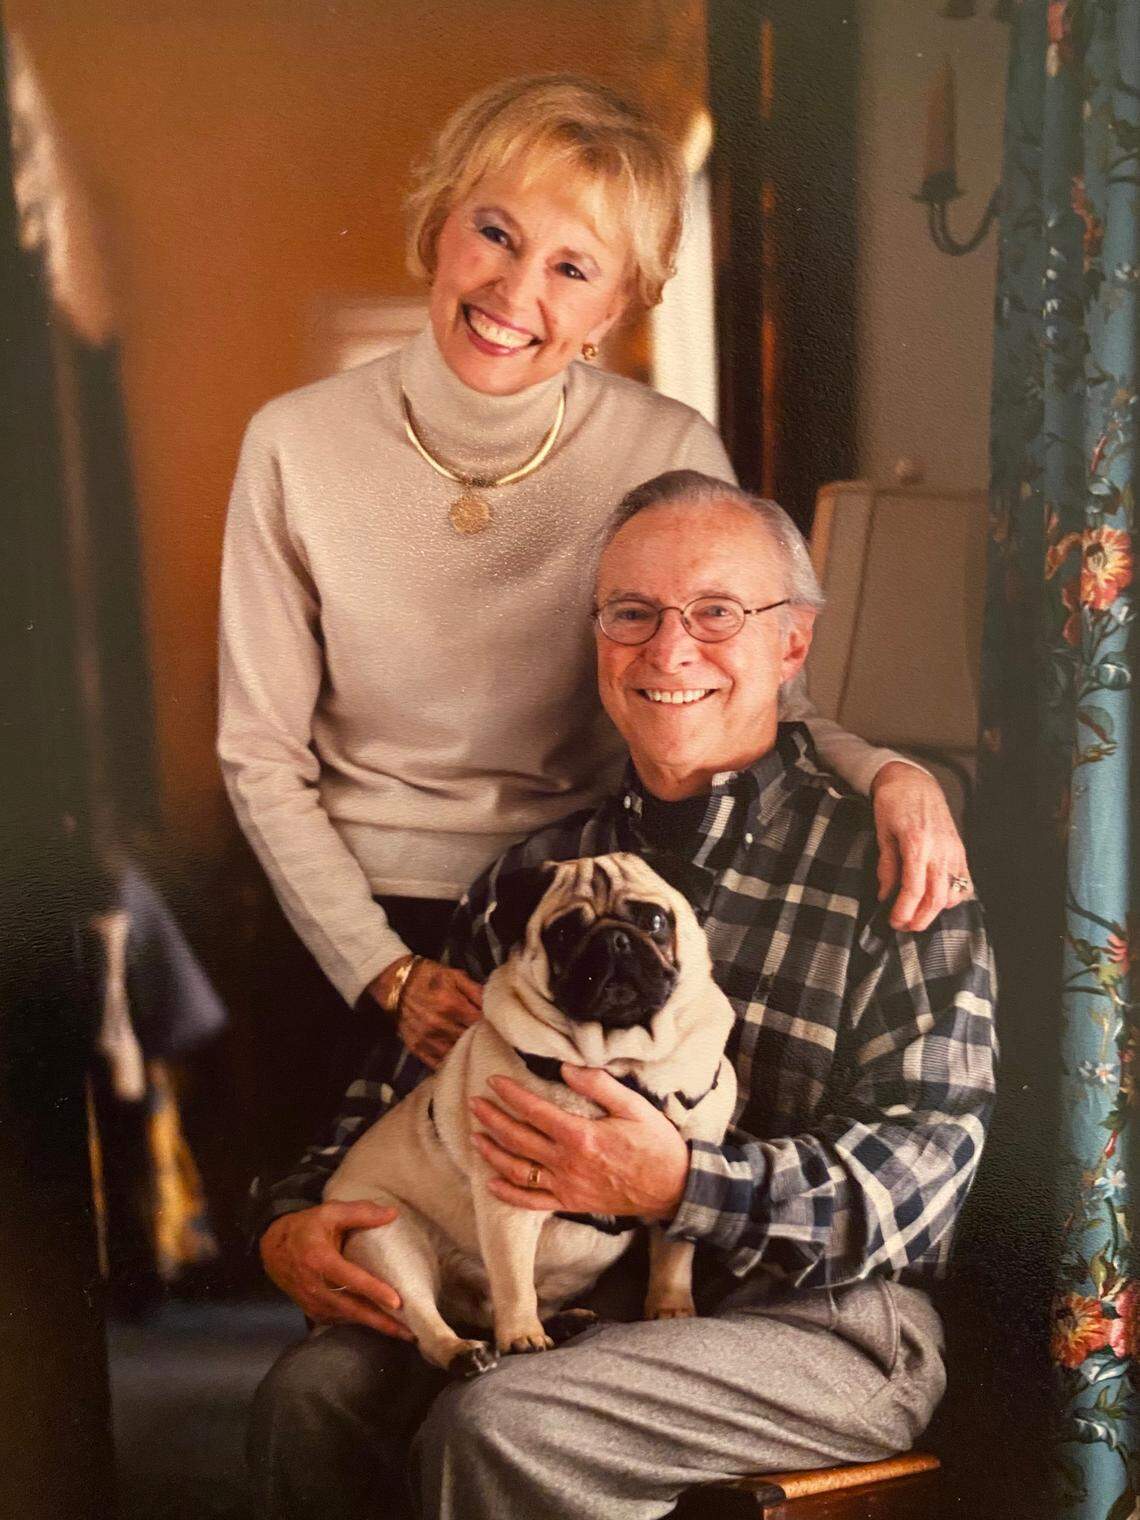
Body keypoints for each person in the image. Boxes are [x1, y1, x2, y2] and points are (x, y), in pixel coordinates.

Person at [247, 470, 997, 1520]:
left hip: (821, 1323)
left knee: (504, 1418)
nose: (669, 648)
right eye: (631, 613)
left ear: (793, 643)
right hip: (569, 1295)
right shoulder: (538, 878)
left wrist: (681, 1182)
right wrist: (290, 1222)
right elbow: (401, 1103)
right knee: (310, 1396)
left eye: (718, 612)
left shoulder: (897, 863)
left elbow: (926, 1182)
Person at [217, 75, 971, 1075]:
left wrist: (893, 772)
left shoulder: (667, 449)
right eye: (495, 232)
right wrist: (382, 969)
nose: (516, 291)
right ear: (439, 225)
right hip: (345, 924)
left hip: (586, 910)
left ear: (617, 306)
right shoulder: (292, 444)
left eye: (573, 267)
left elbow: (753, 693)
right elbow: (260, 755)